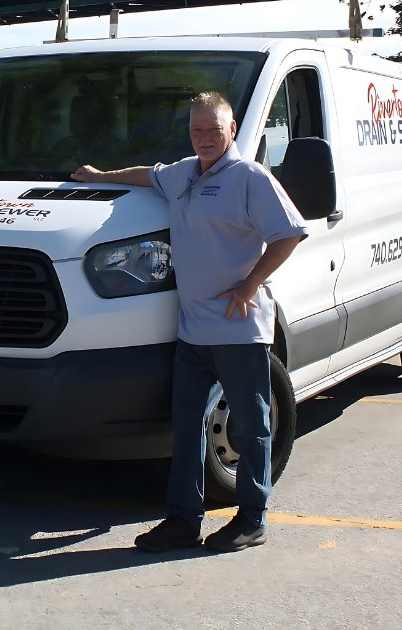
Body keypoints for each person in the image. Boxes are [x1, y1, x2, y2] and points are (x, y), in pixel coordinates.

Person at [72, 91, 307, 553]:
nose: (205, 138)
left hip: (239, 328)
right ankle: (182, 520)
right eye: (197, 130)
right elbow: (146, 175)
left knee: (250, 426)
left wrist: (248, 285)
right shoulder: (183, 173)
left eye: (214, 130)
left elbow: (289, 234)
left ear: (232, 130)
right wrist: (101, 176)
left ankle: (252, 518)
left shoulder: (249, 177)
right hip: (193, 331)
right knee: (185, 428)